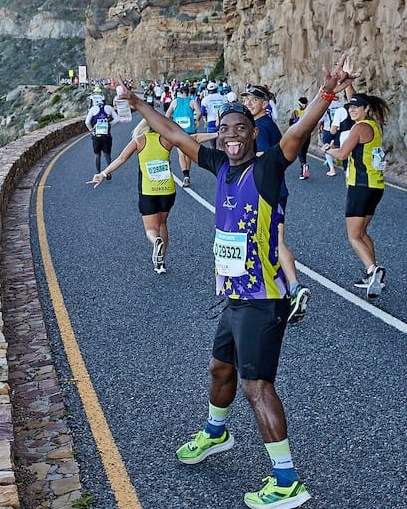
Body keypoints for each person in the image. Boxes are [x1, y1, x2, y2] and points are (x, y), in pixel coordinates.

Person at [117, 55, 356, 509]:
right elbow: (172, 134)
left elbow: (297, 133)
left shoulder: (265, 169)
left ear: (252, 134)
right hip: (235, 298)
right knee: (219, 368)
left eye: (240, 128)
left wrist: (328, 93)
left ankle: (287, 481)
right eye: (224, 128)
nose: (230, 134)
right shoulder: (219, 167)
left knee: (257, 386)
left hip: (263, 300)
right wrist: (137, 102)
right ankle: (215, 432)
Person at [88, 119, 216, 274]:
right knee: (162, 223)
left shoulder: (139, 140)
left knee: (151, 229)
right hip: (167, 190)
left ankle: (156, 241)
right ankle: (161, 262)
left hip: (148, 191)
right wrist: (216, 134)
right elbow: (193, 138)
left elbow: (121, 159)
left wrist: (103, 174)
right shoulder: (167, 139)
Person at [241, 85, 309, 322]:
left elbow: (259, 158)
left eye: (254, 100)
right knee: (268, 240)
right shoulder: (266, 124)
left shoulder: (260, 127)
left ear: (265, 103)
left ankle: (294, 287)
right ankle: (281, 289)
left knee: (275, 241)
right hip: (273, 189)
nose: (249, 103)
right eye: (247, 99)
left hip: (267, 192)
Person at [322, 90, 389, 299]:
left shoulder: (359, 128)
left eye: (355, 107)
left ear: (366, 109)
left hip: (360, 185)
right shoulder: (373, 125)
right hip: (376, 186)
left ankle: (372, 270)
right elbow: (357, 99)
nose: (351, 110)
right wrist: (349, 86)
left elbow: (342, 154)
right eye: (349, 107)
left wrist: (327, 150)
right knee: (362, 232)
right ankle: (373, 274)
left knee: (353, 235)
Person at [165, 86, 203, 187]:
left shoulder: (175, 102)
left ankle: (185, 175)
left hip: (178, 131)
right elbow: (199, 112)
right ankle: (187, 175)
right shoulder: (192, 101)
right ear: (188, 92)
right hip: (190, 130)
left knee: (181, 154)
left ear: (181, 92)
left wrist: (170, 125)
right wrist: (197, 120)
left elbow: (167, 115)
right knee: (188, 153)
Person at [85, 93, 120, 179]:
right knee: (107, 154)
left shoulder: (93, 109)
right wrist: (110, 124)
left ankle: (98, 172)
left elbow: (87, 122)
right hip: (107, 135)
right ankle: (108, 172)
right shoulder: (108, 108)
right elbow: (117, 119)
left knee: (97, 155)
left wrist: (91, 129)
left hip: (97, 135)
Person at [319, 97, 347, 176]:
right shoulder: (340, 104)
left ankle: (332, 169)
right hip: (338, 129)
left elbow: (320, 118)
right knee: (338, 145)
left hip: (328, 129)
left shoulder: (326, 105)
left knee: (327, 147)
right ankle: (339, 158)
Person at [288, 97, 311, 179]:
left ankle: (304, 166)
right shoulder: (309, 112)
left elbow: (290, 124)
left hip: (299, 135)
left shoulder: (295, 112)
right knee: (304, 151)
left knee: (300, 152)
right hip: (307, 135)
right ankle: (304, 168)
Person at [200, 82, 227, 149]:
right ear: (216, 89)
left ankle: (213, 158)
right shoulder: (223, 98)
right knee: (222, 145)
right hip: (222, 121)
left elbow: (203, 112)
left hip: (211, 121)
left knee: (212, 145)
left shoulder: (205, 99)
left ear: (208, 90)